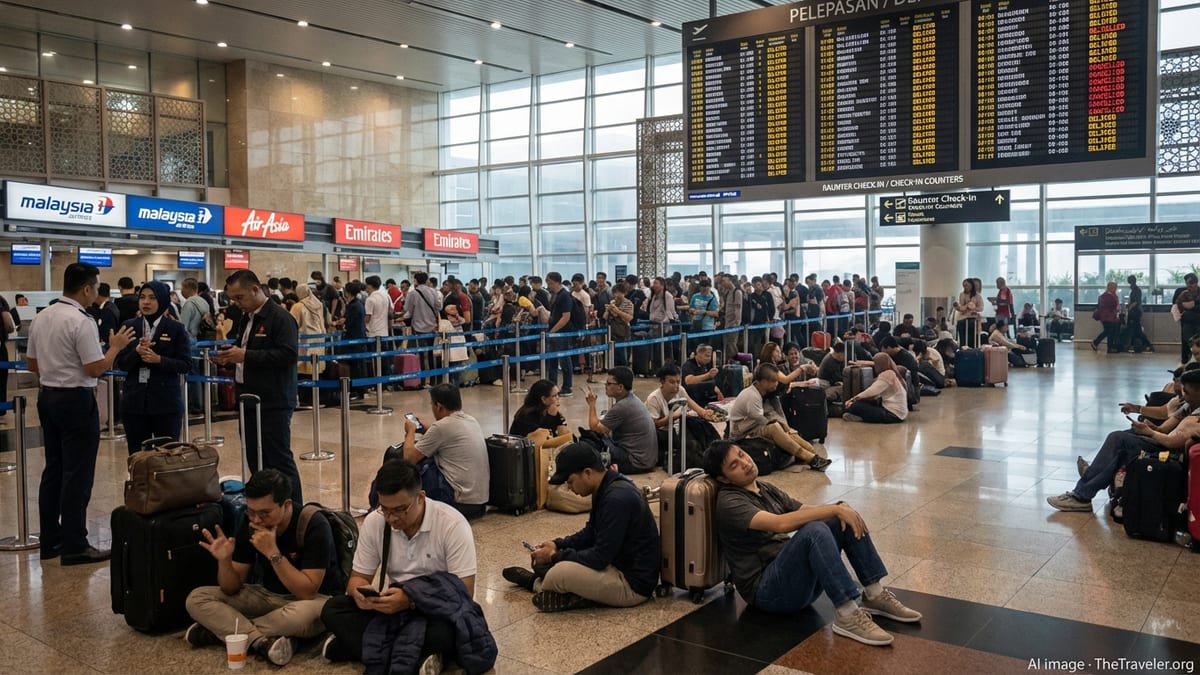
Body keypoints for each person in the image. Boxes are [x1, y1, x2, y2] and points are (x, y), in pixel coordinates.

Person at [702, 440, 921, 646]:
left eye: (742, 455)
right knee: (815, 530)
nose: (745, 463)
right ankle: (847, 614)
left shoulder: (764, 487)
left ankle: (874, 594)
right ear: (724, 479)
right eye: (734, 465)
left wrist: (838, 508)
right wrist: (833, 509)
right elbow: (780, 524)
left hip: (790, 578)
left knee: (839, 517)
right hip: (767, 592)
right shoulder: (730, 502)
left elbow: (803, 511)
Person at [320, 460, 493, 673]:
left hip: (435, 610)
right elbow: (357, 579)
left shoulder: (452, 524)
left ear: (420, 497)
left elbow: (464, 591)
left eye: (400, 510)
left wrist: (411, 599)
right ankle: (422, 657)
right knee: (333, 609)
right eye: (385, 509)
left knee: (447, 632)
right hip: (391, 610)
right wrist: (362, 595)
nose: (392, 518)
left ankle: (360, 647)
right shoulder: (376, 522)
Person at [27, 263, 136, 565]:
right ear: (87, 288)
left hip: (47, 398)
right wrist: (114, 347)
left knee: (54, 470)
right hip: (75, 400)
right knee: (77, 474)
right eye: (96, 287)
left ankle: (50, 540)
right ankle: (75, 544)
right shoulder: (81, 320)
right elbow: (95, 367)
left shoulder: (42, 316)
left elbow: (32, 365)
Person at [184, 470, 337, 667]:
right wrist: (224, 561)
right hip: (266, 596)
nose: (256, 520)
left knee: (300, 618)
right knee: (197, 598)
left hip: (312, 601)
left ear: (286, 505)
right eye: (251, 511)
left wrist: (272, 552)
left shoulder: (313, 523)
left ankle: (223, 632)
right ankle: (261, 640)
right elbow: (232, 588)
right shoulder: (250, 522)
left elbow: (307, 591)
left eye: (265, 513)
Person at [501, 442, 661, 612]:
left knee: (559, 573)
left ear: (587, 473)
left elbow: (600, 557)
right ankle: (572, 593)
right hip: (615, 565)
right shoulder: (606, 486)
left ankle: (535, 583)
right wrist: (557, 544)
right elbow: (590, 533)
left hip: (632, 585)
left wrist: (555, 556)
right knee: (553, 564)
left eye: (570, 481)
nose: (569, 488)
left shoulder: (617, 499)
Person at [1048, 369, 1200, 512]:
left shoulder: (1196, 418)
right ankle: (1095, 473)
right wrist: (1150, 428)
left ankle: (1082, 496)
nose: (1183, 395)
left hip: (1168, 455)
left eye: (1187, 392)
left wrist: (1149, 433)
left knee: (1118, 439)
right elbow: (1164, 430)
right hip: (1163, 445)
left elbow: (1171, 443)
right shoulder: (1189, 405)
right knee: (1126, 434)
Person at [212, 270, 302, 507]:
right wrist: (230, 355)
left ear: (255, 290)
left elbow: (288, 354)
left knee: (278, 459)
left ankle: (295, 510)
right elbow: (246, 349)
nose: (236, 303)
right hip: (248, 398)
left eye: (240, 297)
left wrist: (246, 355)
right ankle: (265, 508)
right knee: (255, 457)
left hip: (273, 401)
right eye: (233, 298)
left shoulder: (280, 318)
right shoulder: (247, 318)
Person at [114, 281, 192, 454]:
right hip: (134, 403)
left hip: (166, 403)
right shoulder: (129, 326)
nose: (145, 302)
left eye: (152, 298)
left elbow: (186, 364)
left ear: (163, 300)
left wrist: (159, 360)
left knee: (167, 456)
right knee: (137, 456)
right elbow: (120, 363)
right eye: (142, 297)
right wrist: (136, 352)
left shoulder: (176, 328)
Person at [400, 383, 489, 520]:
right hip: (479, 503)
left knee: (413, 468)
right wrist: (426, 429)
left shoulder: (442, 427)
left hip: (457, 503)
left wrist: (411, 431)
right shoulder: (471, 420)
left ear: (439, 406)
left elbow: (409, 458)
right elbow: (447, 435)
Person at [728, 363, 832, 470]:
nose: (776, 384)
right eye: (773, 381)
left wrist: (786, 427)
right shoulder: (752, 396)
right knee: (775, 428)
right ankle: (810, 458)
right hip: (743, 434)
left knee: (786, 431)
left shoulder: (761, 394)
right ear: (763, 382)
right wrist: (782, 426)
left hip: (754, 427)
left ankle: (812, 454)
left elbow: (772, 416)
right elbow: (763, 421)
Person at [584, 366, 659, 474]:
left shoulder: (623, 406)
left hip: (635, 462)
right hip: (646, 460)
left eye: (609, 384)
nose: (605, 386)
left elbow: (596, 428)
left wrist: (592, 405)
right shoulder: (631, 400)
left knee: (592, 441)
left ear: (620, 387)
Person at [843, 353, 908, 424]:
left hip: (892, 415)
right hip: (899, 413)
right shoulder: (893, 372)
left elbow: (872, 392)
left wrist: (852, 399)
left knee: (855, 405)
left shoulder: (887, 374)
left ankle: (860, 417)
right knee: (865, 403)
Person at [403, 271, 441, 389]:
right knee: (430, 354)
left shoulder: (413, 293)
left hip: (418, 328)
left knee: (420, 354)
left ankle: (423, 381)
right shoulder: (433, 291)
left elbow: (407, 309)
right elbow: (439, 307)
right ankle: (433, 380)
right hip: (431, 327)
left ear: (415, 280)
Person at [544, 271, 576, 397]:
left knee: (564, 360)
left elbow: (566, 317)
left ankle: (567, 386)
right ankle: (552, 386)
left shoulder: (564, 296)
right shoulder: (555, 295)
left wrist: (553, 331)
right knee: (552, 361)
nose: (549, 285)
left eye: (550, 283)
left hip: (562, 333)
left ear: (557, 282)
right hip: (554, 332)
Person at [291, 285, 327, 388]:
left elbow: (292, 324)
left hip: (304, 340)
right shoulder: (318, 304)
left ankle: (305, 396)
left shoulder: (298, 307)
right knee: (316, 367)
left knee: (303, 367)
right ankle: (317, 396)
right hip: (319, 339)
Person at [364, 275, 393, 382]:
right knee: (384, 359)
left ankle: (377, 382)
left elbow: (367, 317)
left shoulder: (370, 299)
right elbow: (390, 312)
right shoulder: (385, 296)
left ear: (370, 286)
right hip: (384, 332)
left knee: (375, 360)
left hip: (373, 332)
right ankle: (386, 382)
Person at [604, 281, 635, 368]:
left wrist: (617, 311)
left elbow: (629, 318)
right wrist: (608, 310)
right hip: (612, 332)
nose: (616, 295)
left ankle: (624, 370)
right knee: (613, 355)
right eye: (615, 292)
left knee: (622, 355)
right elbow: (605, 317)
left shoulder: (628, 303)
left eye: (619, 292)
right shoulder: (612, 302)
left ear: (624, 293)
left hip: (622, 332)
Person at [1174, 273, 1200, 365]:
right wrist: (1186, 307)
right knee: (1188, 340)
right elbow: (1177, 305)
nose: (1189, 286)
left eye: (1191, 283)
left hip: (1198, 321)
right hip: (1187, 321)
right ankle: (1188, 359)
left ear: (1196, 283)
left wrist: (1192, 306)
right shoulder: (1183, 293)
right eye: (1187, 283)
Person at [952, 278, 984, 347]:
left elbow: (981, 308)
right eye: (964, 285)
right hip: (963, 318)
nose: (965, 287)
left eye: (967, 285)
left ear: (972, 285)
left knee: (972, 337)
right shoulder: (962, 294)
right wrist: (966, 306)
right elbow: (961, 307)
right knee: (962, 334)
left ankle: (972, 349)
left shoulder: (978, 296)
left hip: (973, 319)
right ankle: (963, 348)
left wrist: (974, 308)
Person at [1092, 281, 1122, 354]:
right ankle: (1097, 343)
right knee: (1109, 331)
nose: (1115, 289)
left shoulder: (1108, 296)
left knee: (1109, 331)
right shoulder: (1106, 296)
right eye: (1113, 287)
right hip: (1107, 317)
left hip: (1110, 317)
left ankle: (1108, 347)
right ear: (1109, 287)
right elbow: (1114, 305)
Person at [718, 273, 744, 358]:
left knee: (732, 345)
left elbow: (738, 309)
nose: (722, 283)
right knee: (727, 345)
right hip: (727, 323)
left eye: (724, 281)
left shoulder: (737, 292)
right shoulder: (728, 292)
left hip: (733, 325)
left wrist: (736, 323)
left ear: (730, 281)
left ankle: (736, 361)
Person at [1124, 275, 1151, 354]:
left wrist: (1129, 308)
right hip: (1136, 312)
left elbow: (1136, 302)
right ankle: (1144, 345)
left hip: (1135, 312)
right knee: (1137, 330)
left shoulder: (1136, 290)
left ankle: (1146, 344)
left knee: (1136, 330)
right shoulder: (1135, 289)